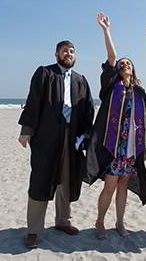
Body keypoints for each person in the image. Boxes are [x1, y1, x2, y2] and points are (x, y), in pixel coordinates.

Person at [85, 13, 146, 239]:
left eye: (129, 63)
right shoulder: (111, 85)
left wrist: (144, 146)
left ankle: (119, 222)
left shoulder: (139, 91)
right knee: (109, 185)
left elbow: (144, 121)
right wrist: (106, 30)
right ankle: (99, 222)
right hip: (112, 146)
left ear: (133, 69)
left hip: (130, 149)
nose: (125, 64)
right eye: (122, 64)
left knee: (123, 186)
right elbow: (111, 56)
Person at [18, 40, 95, 248]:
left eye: (71, 51)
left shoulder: (81, 80)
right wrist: (26, 130)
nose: (68, 54)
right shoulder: (45, 73)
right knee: (41, 178)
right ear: (56, 54)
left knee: (67, 179)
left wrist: (85, 136)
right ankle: (34, 230)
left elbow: (89, 111)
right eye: (64, 51)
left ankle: (62, 221)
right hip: (47, 135)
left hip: (72, 137)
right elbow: (33, 101)